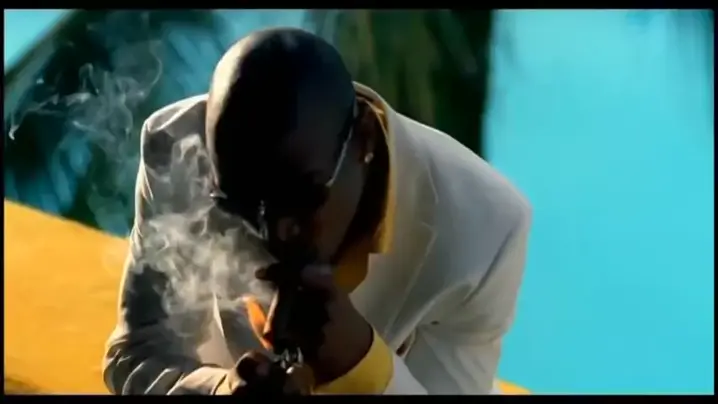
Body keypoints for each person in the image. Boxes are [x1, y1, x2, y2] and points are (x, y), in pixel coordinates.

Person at [103, 27, 531, 395]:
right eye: (240, 205)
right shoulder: (179, 150)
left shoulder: (485, 233)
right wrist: (222, 390)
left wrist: (360, 362)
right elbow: (137, 353)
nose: (273, 232)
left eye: (303, 197)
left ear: (364, 141)